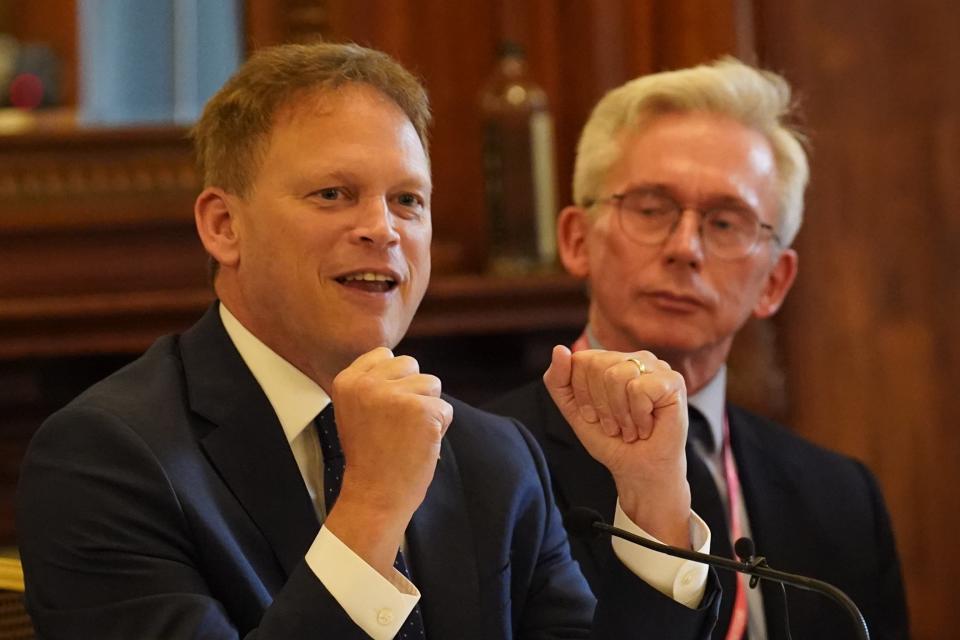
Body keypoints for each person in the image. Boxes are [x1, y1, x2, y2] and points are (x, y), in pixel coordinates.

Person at [16, 42, 722, 639]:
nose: (384, 229)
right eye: (334, 194)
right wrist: (373, 508)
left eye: (408, 200)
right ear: (223, 227)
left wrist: (654, 501)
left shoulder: (491, 456)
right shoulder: (106, 457)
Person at [486, 59, 909, 640]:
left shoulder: (840, 497)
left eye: (725, 222)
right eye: (652, 209)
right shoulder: (482, 463)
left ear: (775, 283)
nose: (685, 248)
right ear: (576, 240)